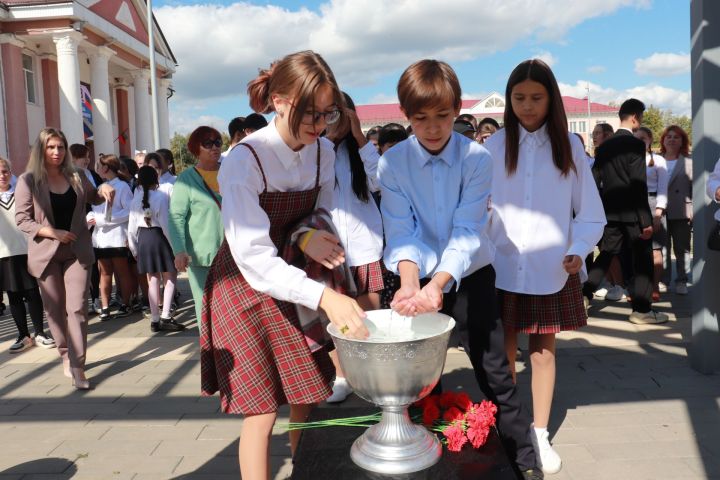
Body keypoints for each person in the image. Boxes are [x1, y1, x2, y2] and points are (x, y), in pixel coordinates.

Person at [200, 50, 368, 480]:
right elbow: (253, 257)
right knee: (260, 411)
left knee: (305, 397)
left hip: (296, 277)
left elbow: (322, 212)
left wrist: (308, 235)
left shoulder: (322, 153)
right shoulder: (245, 159)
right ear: (278, 101)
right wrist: (325, 296)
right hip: (243, 287)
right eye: (309, 113)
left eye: (328, 114)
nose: (318, 125)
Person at [379, 59, 542, 480]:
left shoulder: (476, 157)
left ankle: (523, 460)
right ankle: (414, 455)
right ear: (405, 115)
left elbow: (468, 230)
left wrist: (440, 283)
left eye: (443, 116)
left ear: (456, 110)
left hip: (470, 276)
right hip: (413, 277)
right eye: (420, 118)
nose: (433, 128)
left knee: (494, 371)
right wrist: (413, 284)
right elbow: (400, 230)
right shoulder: (392, 162)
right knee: (411, 376)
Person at [484, 59, 605, 475]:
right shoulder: (494, 146)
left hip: (550, 265)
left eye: (536, 98)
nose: (527, 106)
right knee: (502, 354)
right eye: (519, 98)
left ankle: (538, 431)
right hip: (501, 263)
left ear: (551, 98)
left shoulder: (569, 146)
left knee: (542, 353)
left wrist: (579, 246)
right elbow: (477, 207)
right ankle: (507, 429)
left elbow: (590, 211)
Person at [14, 128, 115, 389]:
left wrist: (103, 187)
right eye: (51, 147)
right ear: (41, 150)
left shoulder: (77, 175)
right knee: (55, 311)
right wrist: (52, 232)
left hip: (77, 251)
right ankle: (65, 354)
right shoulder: (28, 180)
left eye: (60, 147)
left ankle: (78, 365)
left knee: (77, 309)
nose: (57, 152)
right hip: (46, 254)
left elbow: (92, 197)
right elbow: (22, 220)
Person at [583, 99, 668, 324]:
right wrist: (645, 219)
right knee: (642, 261)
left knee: (607, 254)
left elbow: (595, 181)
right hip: (633, 214)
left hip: (610, 212)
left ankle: (583, 295)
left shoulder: (605, 147)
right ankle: (641, 310)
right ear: (635, 118)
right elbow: (638, 184)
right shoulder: (636, 145)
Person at [324, 92, 384, 403]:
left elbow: (380, 181)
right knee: (336, 319)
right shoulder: (316, 149)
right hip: (331, 250)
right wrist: (327, 140)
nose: (333, 118)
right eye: (327, 112)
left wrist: (359, 136)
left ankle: (372, 373)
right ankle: (342, 375)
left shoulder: (361, 152)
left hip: (364, 247)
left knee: (368, 315)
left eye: (339, 112)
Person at [168, 126, 224, 327]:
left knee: (232, 312)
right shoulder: (186, 179)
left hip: (235, 254)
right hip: (203, 257)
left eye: (218, 142)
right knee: (207, 312)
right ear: (195, 148)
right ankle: (210, 354)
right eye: (207, 144)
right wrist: (180, 251)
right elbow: (176, 217)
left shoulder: (231, 172)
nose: (214, 147)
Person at [0, 157, 54, 353]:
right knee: (13, 296)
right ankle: (23, 334)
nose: (2, 175)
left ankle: (40, 332)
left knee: (32, 292)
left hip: (27, 250)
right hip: (4, 254)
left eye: (5, 171)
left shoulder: (21, 195)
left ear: (10, 172)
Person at [128, 166, 184, 332]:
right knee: (170, 276)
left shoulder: (135, 198)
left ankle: (154, 318)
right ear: (156, 179)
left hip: (144, 239)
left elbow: (131, 228)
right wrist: (176, 248)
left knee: (152, 279)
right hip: (160, 237)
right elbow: (166, 224)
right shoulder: (160, 197)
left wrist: (134, 249)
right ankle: (166, 315)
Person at [87, 154, 135, 320]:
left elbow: (129, 211)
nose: (97, 169)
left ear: (106, 168)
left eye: (99, 166)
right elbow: (94, 208)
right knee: (104, 273)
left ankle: (125, 303)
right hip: (100, 239)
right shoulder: (100, 187)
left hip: (116, 236)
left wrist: (105, 221)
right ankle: (105, 306)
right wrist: (91, 217)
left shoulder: (122, 186)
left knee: (122, 272)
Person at [635, 126, 668, 301]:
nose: (639, 142)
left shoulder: (658, 161)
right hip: (634, 205)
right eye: (636, 138)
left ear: (649, 140)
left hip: (653, 203)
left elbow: (663, 189)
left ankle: (655, 285)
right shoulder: (630, 160)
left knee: (655, 249)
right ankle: (639, 288)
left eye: (642, 138)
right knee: (637, 250)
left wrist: (658, 214)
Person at [660, 125, 692, 295]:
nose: (672, 139)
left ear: (682, 142)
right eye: (669, 136)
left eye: (676, 137)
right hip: (660, 212)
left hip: (682, 211)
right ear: (663, 140)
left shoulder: (689, 162)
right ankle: (664, 280)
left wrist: (693, 211)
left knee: (682, 249)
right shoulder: (655, 160)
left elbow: (695, 188)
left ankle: (682, 280)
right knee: (662, 248)